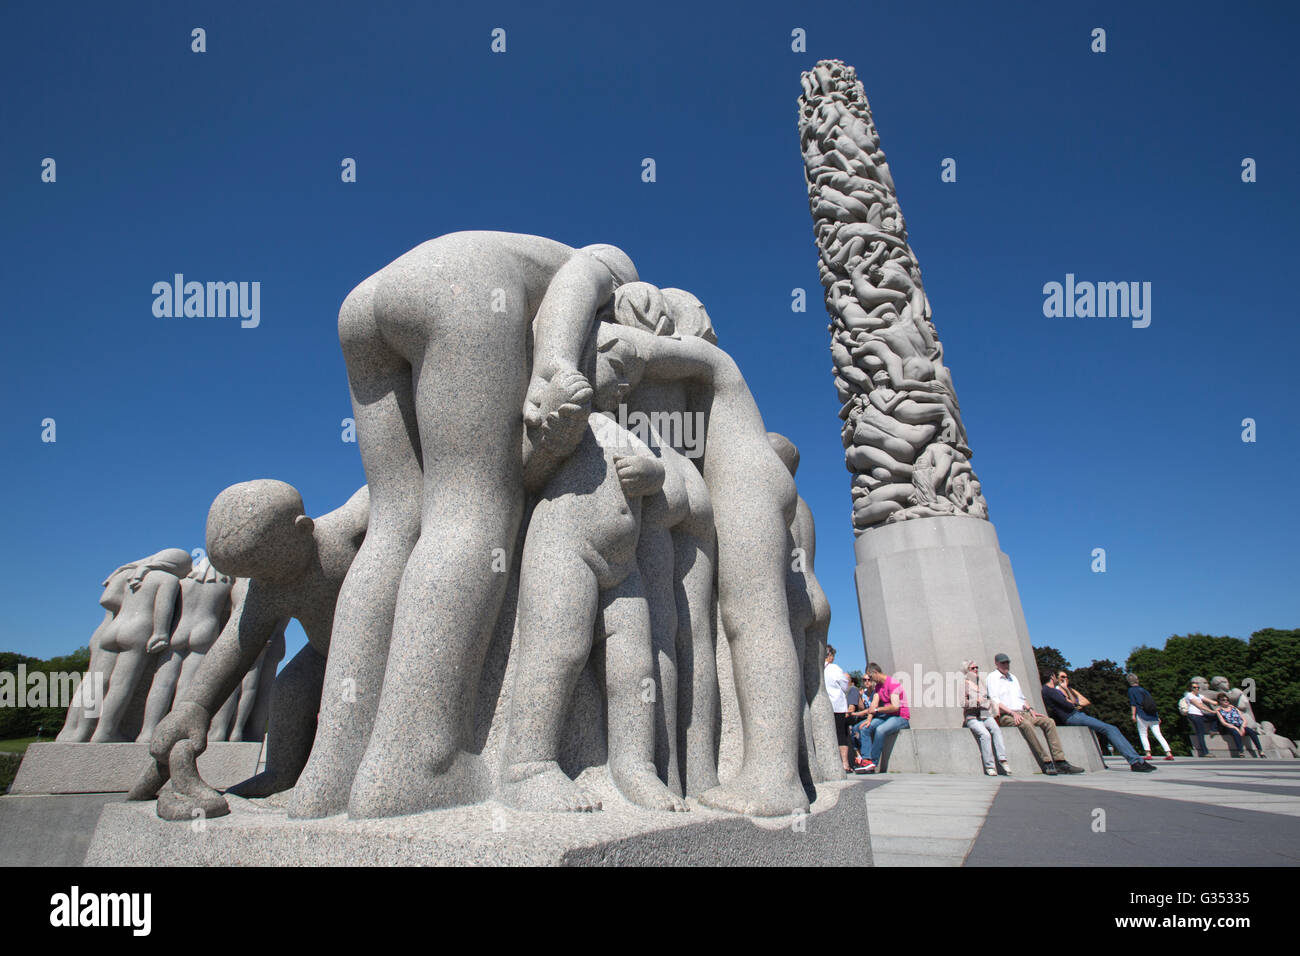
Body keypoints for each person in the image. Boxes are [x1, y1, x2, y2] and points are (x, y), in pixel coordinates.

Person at [985, 652, 1083, 775]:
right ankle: (1046, 761)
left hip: (1023, 712)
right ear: (996, 663)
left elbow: (1021, 697)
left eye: (1007, 662)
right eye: (1003, 662)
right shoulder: (992, 677)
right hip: (1007, 715)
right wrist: (1012, 713)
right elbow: (995, 700)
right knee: (1026, 724)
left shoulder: (1013, 678)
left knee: (1049, 722)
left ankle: (1060, 761)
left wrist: (1031, 709)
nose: (1006, 665)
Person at [1041, 671, 1155, 772]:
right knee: (1110, 729)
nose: (1060, 679)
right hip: (1072, 716)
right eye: (1058, 677)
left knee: (1111, 728)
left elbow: (1074, 701)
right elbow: (1071, 704)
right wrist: (1071, 701)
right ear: (1052, 677)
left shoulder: (1053, 690)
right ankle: (1135, 761)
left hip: (1076, 715)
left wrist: (1067, 692)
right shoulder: (1049, 690)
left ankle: (1138, 760)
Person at [856, 662, 910, 772]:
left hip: (900, 717)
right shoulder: (879, 687)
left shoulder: (892, 684)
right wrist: (869, 720)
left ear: (875, 673)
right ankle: (866, 760)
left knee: (880, 730)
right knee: (865, 728)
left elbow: (895, 707)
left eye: (870, 677)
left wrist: (877, 710)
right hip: (886, 717)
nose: (870, 680)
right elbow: (873, 705)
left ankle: (873, 762)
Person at [961, 660, 1008, 776]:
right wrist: (975, 701)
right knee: (985, 735)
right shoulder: (964, 684)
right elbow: (963, 703)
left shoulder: (981, 683)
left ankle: (1003, 759)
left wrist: (991, 706)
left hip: (985, 714)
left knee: (996, 730)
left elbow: (987, 699)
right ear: (967, 670)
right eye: (973, 668)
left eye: (977, 667)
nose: (976, 670)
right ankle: (990, 766)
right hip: (972, 716)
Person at [1126, 673, 1173, 761]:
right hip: (1152, 714)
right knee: (1158, 734)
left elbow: (1133, 703)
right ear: (1137, 680)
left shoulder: (1131, 690)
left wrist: (1133, 715)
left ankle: (1148, 753)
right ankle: (1168, 752)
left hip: (1141, 714)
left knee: (1143, 734)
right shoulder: (1144, 690)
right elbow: (1151, 703)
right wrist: (1157, 715)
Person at [824, 646, 852, 774]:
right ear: (829, 656)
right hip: (837, 705)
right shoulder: (834, 668)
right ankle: (845, 763)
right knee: (841, 734)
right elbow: (845, 686)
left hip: (823, 707)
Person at [1213, 693, 1263, 758]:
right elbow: (1223, 722)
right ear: (1219, 701)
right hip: (1229, 726)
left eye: (1227, 700)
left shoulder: (1234, 709)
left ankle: (1260, 750)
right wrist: (1235, 728)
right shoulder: (1219, 710)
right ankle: (1240, 751)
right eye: (1223, 700)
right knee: (1235, 733)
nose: (1226, 701)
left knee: (1251, 732)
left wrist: (1242, 727)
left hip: (1240, 724)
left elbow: (1243, 719)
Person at [1181, 680, 1217, 757]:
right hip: (1194, 715)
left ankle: (1213, 730)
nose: (1196, 689)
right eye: (1194, 687)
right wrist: (1211, 711)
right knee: (1200, 733)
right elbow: (1199, 706)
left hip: (1200, 715)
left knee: (1215, 717)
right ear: (1190, 688)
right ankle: (1205, 752)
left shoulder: (1199, 696)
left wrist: (1218, 702)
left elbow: (1210, 701)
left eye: (1197, 687)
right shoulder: (1189, 695)